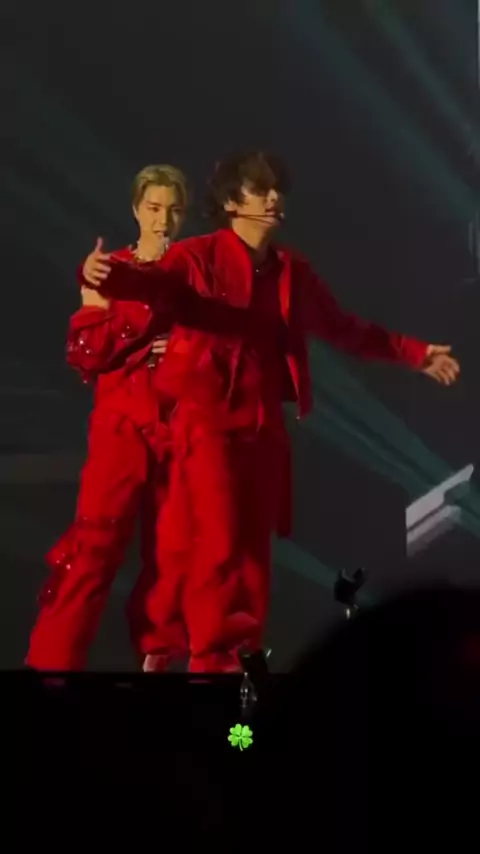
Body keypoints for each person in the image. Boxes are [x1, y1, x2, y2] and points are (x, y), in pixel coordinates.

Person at [89, 150, 460, 673]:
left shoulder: (291, 271)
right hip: (204, 420)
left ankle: (240, 669)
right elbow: (151, 283)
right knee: (218, 544)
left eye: (277, 190)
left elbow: (344, 328)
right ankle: (212, 668)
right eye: (260, 190)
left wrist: (416, 353)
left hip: (262, 425)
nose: (273, 199)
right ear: (231, 202)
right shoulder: (198, 256)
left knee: (254, 555)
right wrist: (106, 277)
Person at [26, 163, 273, 671]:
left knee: (171, 553)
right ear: (137, 209)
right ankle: (50, 665)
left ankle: (157, 662)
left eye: (174, 210)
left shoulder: (197, 275)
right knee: (93, 547)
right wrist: (145, 316)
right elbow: (86, 353)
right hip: (121, 425)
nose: (164, 220)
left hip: (179, 425)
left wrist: (185, 345)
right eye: (155, 208)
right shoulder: (108, 270)